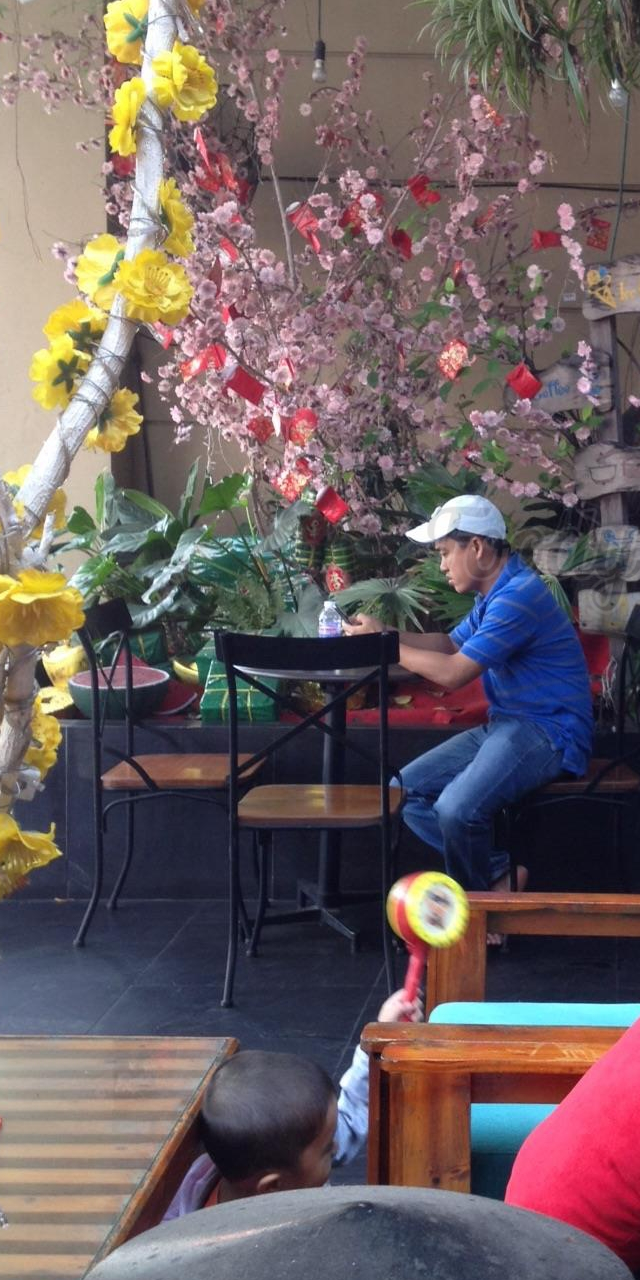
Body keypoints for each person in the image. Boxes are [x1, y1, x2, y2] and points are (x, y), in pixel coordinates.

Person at [345, 495, 593, 897]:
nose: (442, 565)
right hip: (509, 725)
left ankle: (479, 909)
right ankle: (496, 875)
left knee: (455, 809)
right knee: (401, 791)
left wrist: (386, 647)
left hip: (551, 731)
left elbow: (454, 673)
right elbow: (449, 644)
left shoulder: (518, 597)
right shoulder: (496, 593)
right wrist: (386, 634)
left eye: (445, 552)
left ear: (476, 546)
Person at [163, 989, 417, 1216]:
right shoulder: (218, 1241)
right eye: (327, 1150)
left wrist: (378, 1041)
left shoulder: (278, 1159)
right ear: (273, 1186)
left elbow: (348, 1121)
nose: (337, 1144)